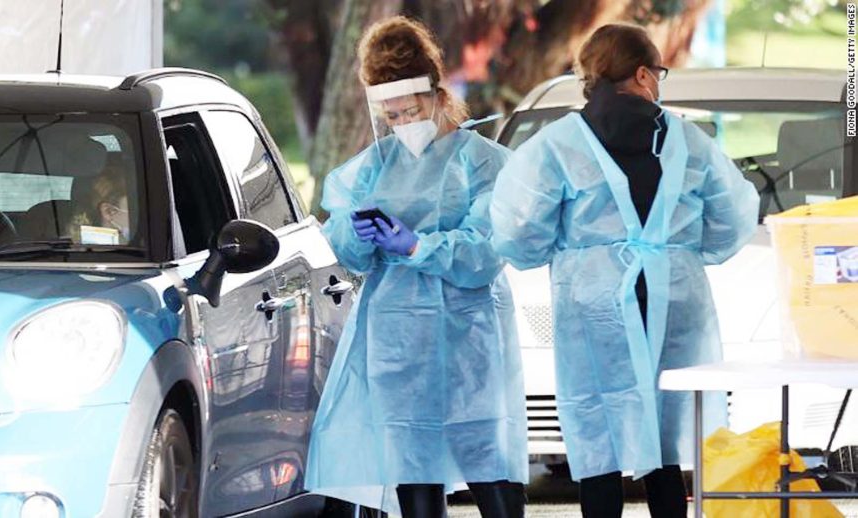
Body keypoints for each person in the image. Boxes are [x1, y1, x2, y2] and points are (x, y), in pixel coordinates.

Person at [489, 23, 759, 518]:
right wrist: (683, 249)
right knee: (667, 438)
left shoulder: (558, 145)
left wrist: (567, 250)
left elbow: (518, 229)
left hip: (593, 304)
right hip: (676, 300)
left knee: (598, 434)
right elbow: (734, 216)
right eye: (659, 73)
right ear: (641, 74)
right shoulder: (688, 141)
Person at [305, 16, 528, 518]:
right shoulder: (373, 166)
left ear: (438, 94)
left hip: (467, 335)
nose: (403, 124)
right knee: (411, 461)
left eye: (410, 111)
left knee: (486, 452)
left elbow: (484, 255)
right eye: (392, 115)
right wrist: (356, 235)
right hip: (396, 341)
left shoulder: (484, 163)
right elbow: (346, 247)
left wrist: (414, 246)